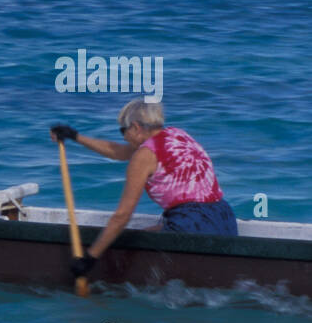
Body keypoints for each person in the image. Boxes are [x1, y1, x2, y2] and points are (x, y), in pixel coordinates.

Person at [51, 98, 237, 280]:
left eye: (123, 131)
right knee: (146, 232)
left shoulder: (143, 156)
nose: (123, 137)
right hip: (224, 218)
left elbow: (122, 216)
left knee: (125, 242)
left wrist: (90, 258)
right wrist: (75, 136)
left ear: (136, 127)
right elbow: (117, 151)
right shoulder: (177, 135)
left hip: (193, 224)